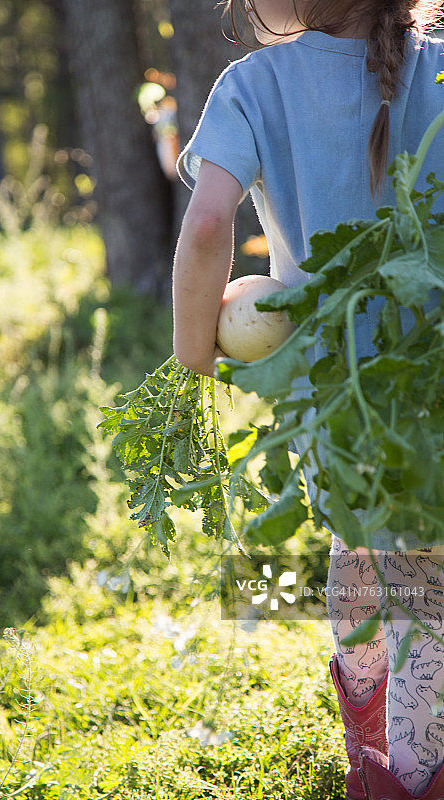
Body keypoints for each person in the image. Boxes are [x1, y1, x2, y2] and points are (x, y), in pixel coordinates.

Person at [171, 1, 444, 798]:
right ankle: (413, 771)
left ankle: (375, 747)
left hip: (334, 401)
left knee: (356, 541)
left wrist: (194, 350)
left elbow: (205, 225)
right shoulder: (436, 65)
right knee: (426, 590)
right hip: (425, 390)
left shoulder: (252, 85)